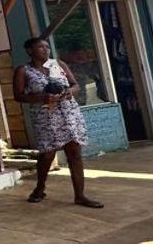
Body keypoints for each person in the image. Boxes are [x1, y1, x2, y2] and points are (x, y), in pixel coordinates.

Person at [13, 36, 103, 208]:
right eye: (41, 47)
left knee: (74, 153)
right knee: (47, 155)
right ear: (30, 51)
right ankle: (40, 188)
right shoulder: (24, 71)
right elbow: (18, 95)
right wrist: (42, 97)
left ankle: (80, 195)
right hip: (45, 117)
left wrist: (70, 92)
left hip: (69, 114)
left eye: (47, 46)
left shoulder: (59, 65)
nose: (46, 50)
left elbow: (76, 85)